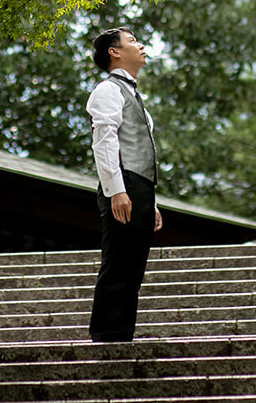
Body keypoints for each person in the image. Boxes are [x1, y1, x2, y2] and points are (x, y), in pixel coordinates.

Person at [86, 26, 163, 342]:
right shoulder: (107, 90)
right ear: (114, 52)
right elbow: (104, 141)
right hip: (122, 185)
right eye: (133, 41)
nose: (141, 45)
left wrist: (152, 200)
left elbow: (140, 148)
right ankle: (106, 336)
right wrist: (116, 189)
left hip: (141, 186)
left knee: (134, 268)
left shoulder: (136, 98)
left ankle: (122, 335)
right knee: (118, 262)